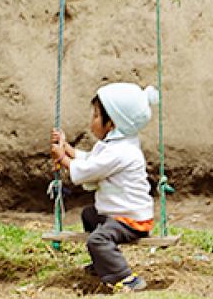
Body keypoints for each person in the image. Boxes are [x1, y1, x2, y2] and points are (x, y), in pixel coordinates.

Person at [51, 82, 158, 293]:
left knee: (97, 239)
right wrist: (68, 150)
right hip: (119, 214)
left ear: (113, 124)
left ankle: (126, 278)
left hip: (131, 220)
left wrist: (62, 158)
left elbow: (88, 170)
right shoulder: (116, 146)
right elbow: (92, 160)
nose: (92, 123)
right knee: (89, 215)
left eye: (96, 117)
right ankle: (103, 262)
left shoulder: (121, 152)